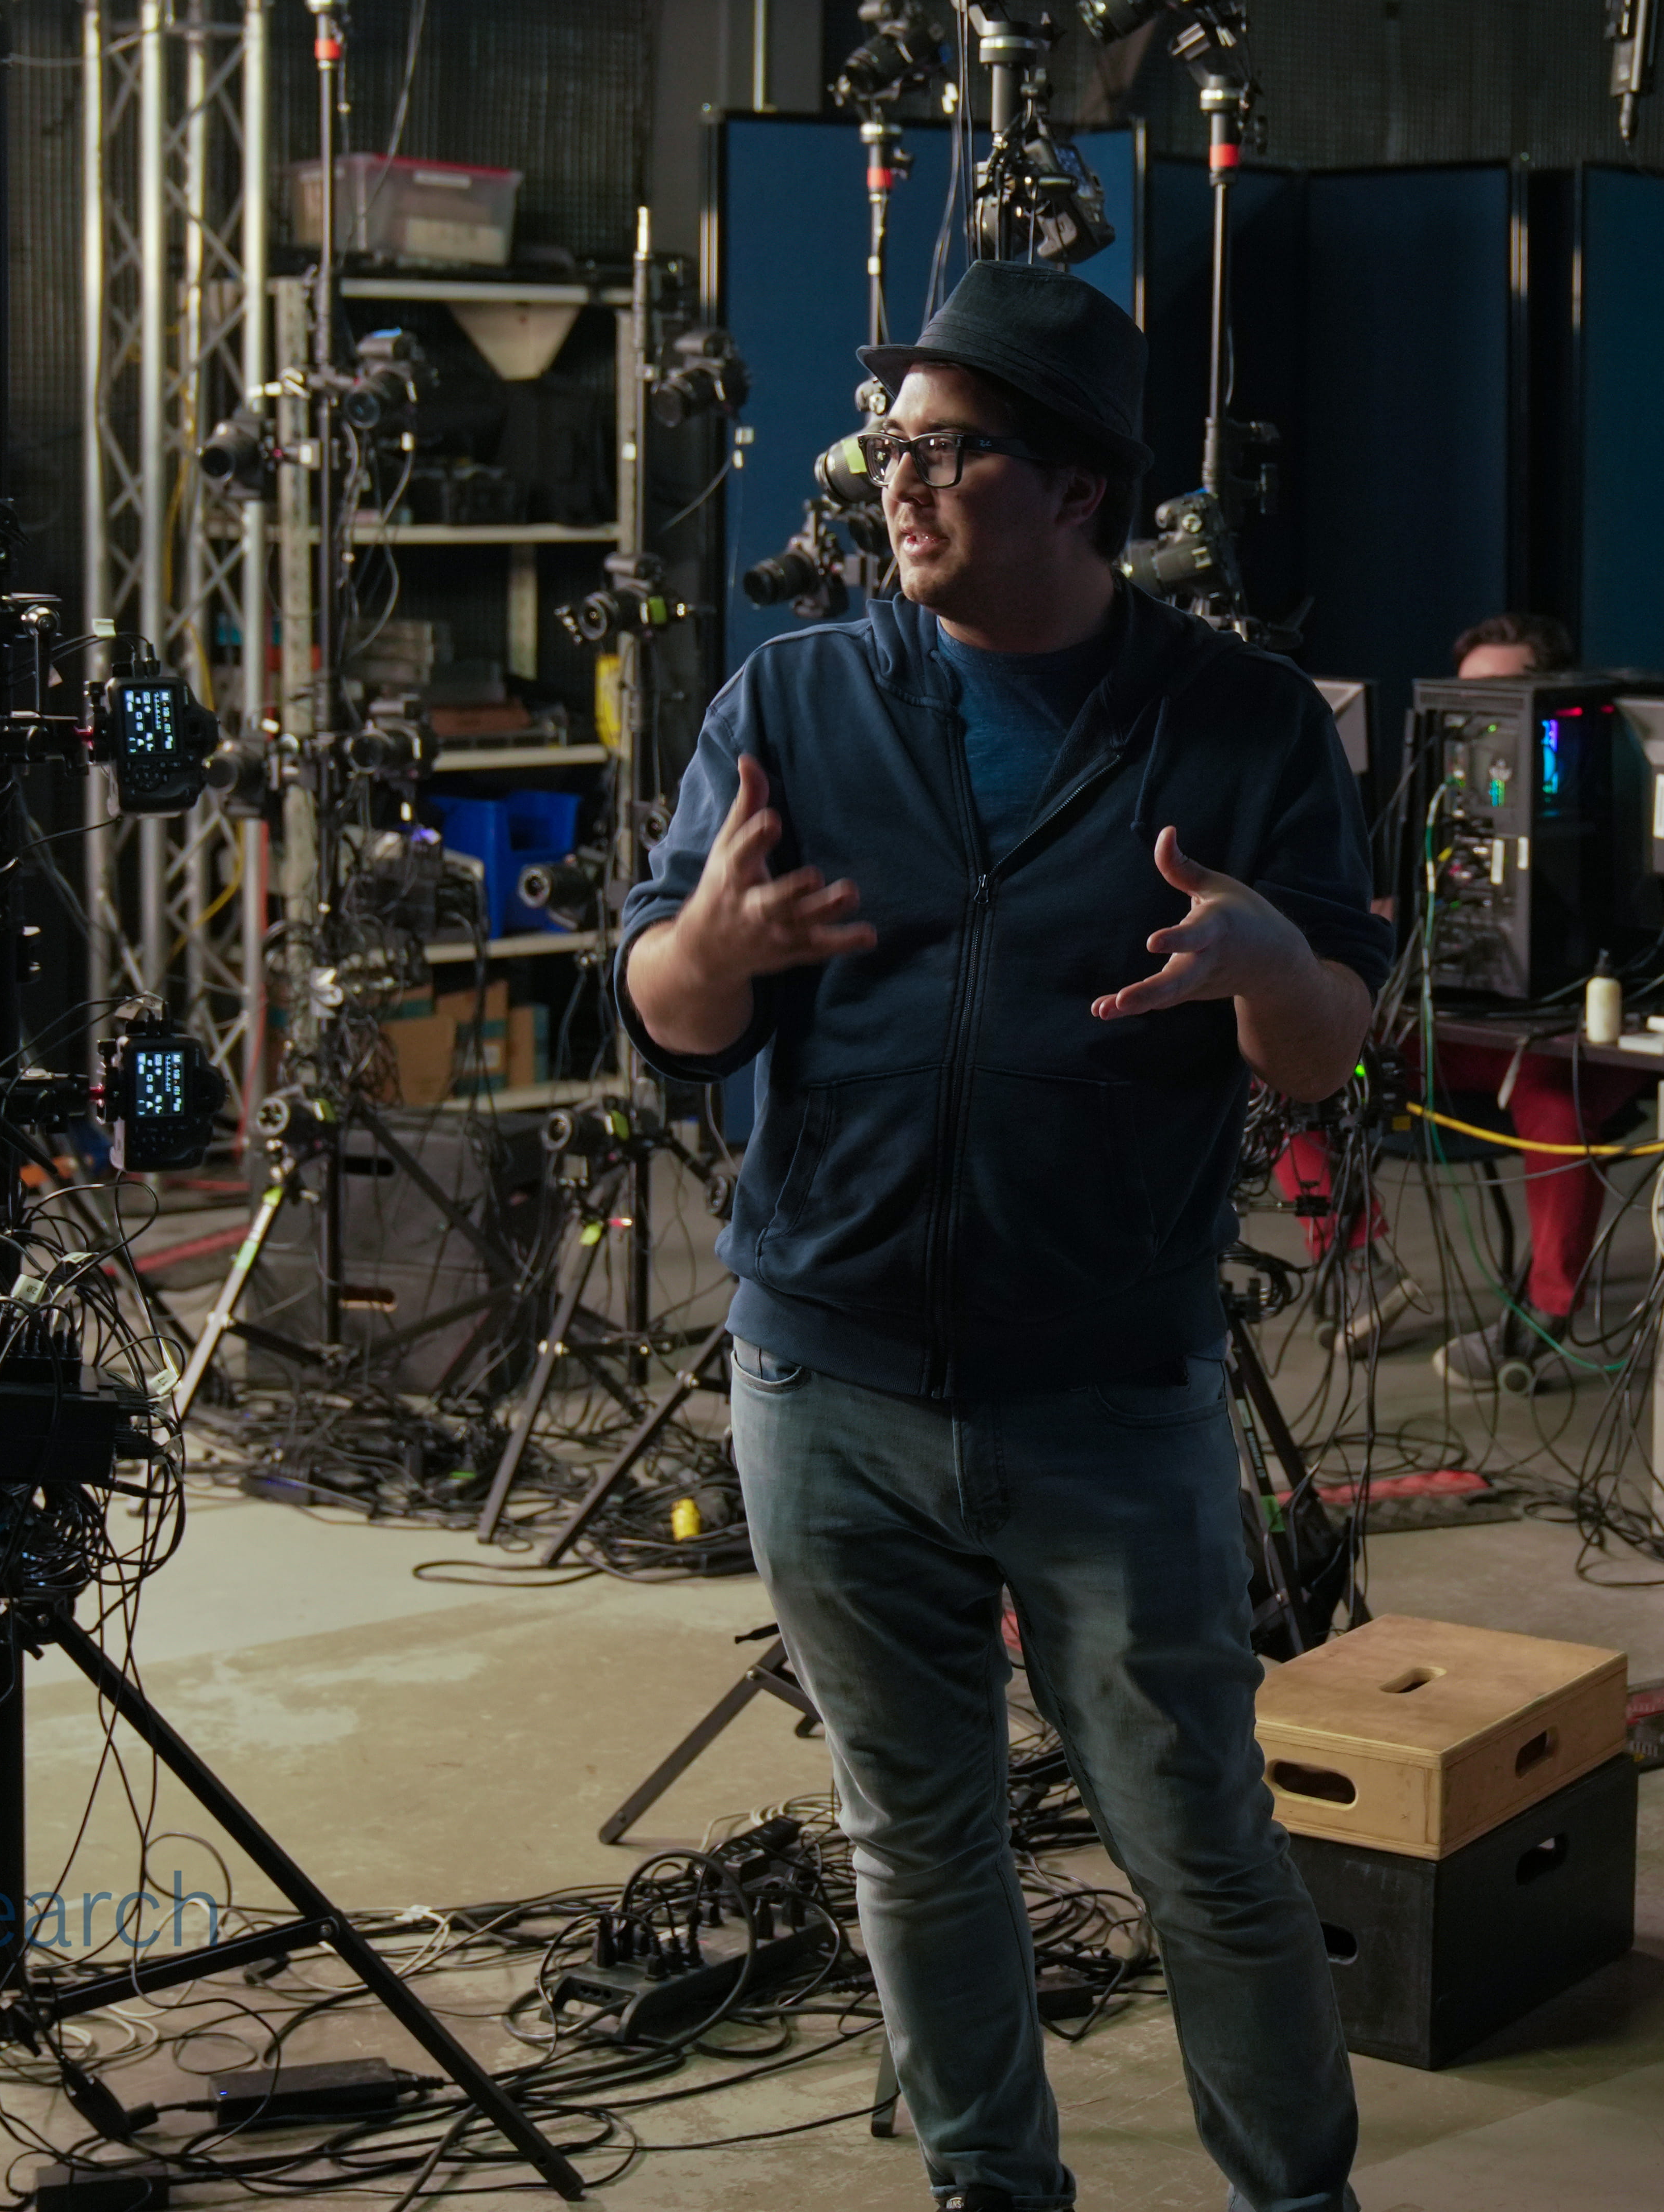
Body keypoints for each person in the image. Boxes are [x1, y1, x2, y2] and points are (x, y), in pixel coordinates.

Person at [614, 258, 1383, 2212]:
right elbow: (662, 1017)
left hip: (1107, 1388)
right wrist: (707, 947)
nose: (898, 483)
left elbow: (1325, 1052)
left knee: (1198, 1838)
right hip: (825, 1372)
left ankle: (1298, 2193)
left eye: (947, 451)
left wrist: (1270, 962)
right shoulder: (791, 700)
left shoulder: (1233, 725)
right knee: (917, 1830)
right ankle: (990, 2187)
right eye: (892, 446)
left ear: (1077, 490)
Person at [1276, 608, 1642, 1390]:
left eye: (1504, 696)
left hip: (1571, 1036)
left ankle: (1546, 1314)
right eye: (1465, 698)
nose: (1481, 723)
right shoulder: (1439, 796)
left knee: (1552, 1084)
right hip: (1457, 1030)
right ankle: (1355, 1261)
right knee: (1277, 1053)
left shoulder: (1619, 800)